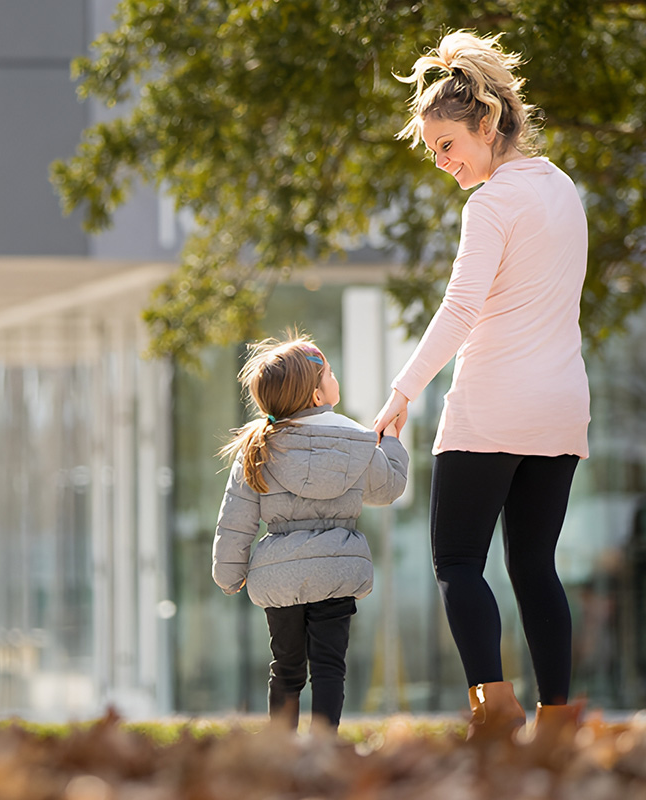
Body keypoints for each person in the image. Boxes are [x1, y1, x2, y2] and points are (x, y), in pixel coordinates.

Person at [374, 30, 590, 740]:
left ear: (488, 125)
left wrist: (403, 389)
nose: (443, 163)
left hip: (493, 407)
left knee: (458, 562)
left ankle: (496, 718)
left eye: (447, 146)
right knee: (534, 566)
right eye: (434, 151)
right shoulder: (562, 189)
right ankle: (556, 723)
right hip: (561, 412)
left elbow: (461, 307)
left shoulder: (491, 204)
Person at [213, 335, 408, 731]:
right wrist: (393, 443)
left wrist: (229, 574)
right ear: (318, 396)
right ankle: (323, 746)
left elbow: (237, 519)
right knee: (329, 666)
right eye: (330, 373)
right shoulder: (356, 441)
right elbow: (388, 488)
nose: (335, 377)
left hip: (279, 578)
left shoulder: (258, 447)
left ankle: (280, 747)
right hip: (336, 572)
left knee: (285, 666)